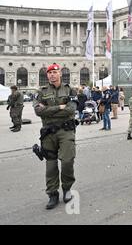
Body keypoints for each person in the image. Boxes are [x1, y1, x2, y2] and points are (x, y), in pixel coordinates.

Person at [32, 63, 78, 209]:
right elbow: (39, 111)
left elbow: (71, 110)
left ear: (60, 74)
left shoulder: (70, 89)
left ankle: (67, 188)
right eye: (49, 73)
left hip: (66, 131)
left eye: (54, 72)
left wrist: (49, 109)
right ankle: (52, 194)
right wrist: (59, 107)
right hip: (48, 133)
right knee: (50, 165)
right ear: (47, 75)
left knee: (67, 161)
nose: (52, 75)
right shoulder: (41, 91)